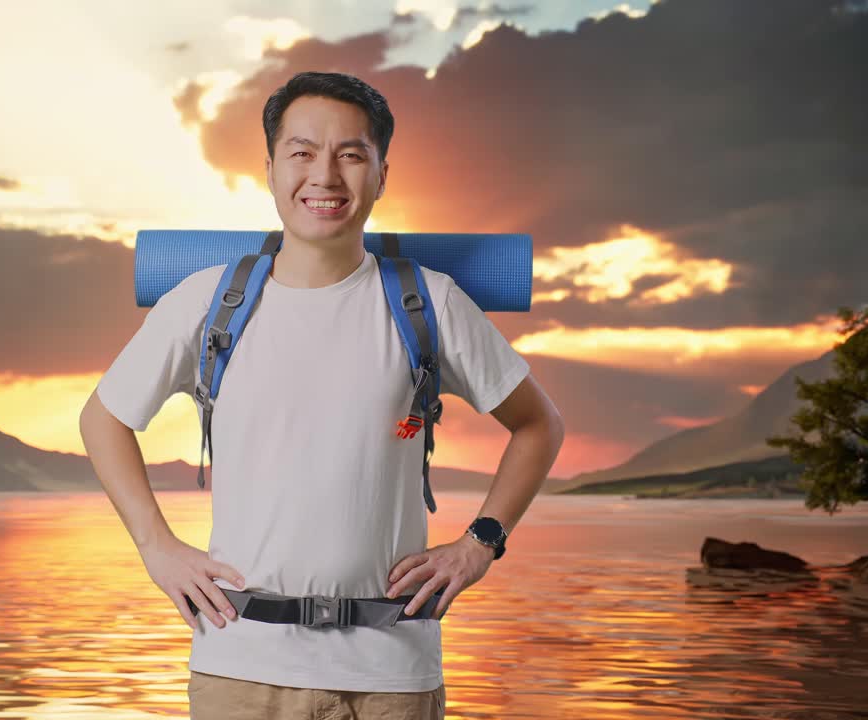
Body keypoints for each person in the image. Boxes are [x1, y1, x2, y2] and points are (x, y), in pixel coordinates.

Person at [80, 71, 564, 720]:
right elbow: (103, 418)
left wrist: (479, 542)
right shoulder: (206, 302)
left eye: (351, 154)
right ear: (272, 167)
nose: (325, 176)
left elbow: (539, 425)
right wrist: (156, 547)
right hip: (241, 667)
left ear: (382, 174)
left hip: (393, 672)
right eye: (302, 152)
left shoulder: (430, 303)